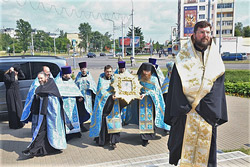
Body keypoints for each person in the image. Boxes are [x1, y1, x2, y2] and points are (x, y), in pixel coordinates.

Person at [164, 21, 228, 167]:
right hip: (186, 114)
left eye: (207, 32)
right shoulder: (182, 59)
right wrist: (187, 107)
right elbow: (176, 87)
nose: (205, 35)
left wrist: (204, 108)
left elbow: (217, 87)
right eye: (201, 32)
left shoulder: (216, 60)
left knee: (207, 154)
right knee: (183, 151)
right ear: (194, 35)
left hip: (207, 114)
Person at [22, 71, 66, 158]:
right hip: (43, 113)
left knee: (41, 132)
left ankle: (33, 150)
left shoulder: (51, 84)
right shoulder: (42, 86)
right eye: (38, 79)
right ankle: (37, 149)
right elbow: (38, 93)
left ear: (46, 77)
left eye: (41, 78)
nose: (40, 80)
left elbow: (52, 98)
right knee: (42, 132)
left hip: (51, 115)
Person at [127, 63, 169, 147]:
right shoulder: (139, 78)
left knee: (150, 119)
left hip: (151, 103)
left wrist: (146, 94)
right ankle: (143, 138)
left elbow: (156, 92)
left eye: (148, 71)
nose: (146, 73)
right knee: (142, 119)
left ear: (151, 71)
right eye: (144, 71)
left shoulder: (154, 79)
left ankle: (149, 135)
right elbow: (134, 87)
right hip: (140, 102)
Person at [89, 65, 126, 149]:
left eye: (110, 71)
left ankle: (114, 141)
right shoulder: (101, 80)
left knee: (114, 122)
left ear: (112, 72)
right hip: (105, 105)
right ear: (104, 71)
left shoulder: (115, 79)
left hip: (115, 105)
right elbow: (101, 92)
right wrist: (110, 96)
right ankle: (103, 140)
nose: (109, 73)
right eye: (107, 71)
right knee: (104, 123)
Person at [55, 66, 89, 141]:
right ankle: (68, 135)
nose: (70, 75)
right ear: (64, 74)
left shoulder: (70, 81)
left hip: (73, 103)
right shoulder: (58, 82)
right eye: (69, 74)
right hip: (64, 104)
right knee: (66, 119)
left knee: (74, 118)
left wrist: (80, 97)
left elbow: (75, 91)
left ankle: (75, 132)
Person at [21, 66, 53, 134]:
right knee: (36, 122)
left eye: (49, 72)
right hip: (37, 107)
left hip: (45, 108)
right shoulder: (36, 83)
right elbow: (34, 94)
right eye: (47, 73)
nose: (48, 74)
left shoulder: (50, 81)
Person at [75, 62, 97, 132]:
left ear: (86, 69)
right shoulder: (78, 78)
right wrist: (78, 96)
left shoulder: (90, 77)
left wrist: (91, 88)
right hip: (81, 98)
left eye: (84, 68)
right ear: (80, 69)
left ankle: (90, 125)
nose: (83, 70)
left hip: (89, 97)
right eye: (82, 69)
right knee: (82, 111)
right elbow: (75, 88)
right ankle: (83, 126)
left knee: (89, 110)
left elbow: (94, 87)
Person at [4, 64, 25, 129]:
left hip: (16, 92)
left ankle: (20, 123)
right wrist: (12, 72)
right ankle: (14, 125)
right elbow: (12, 80)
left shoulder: (15, 75)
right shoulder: (6, 75)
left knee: (19, 108)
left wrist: (19, 71)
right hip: (10, 93)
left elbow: (23, 77)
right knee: (12, 108)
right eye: (14, 71)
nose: (16, 72)